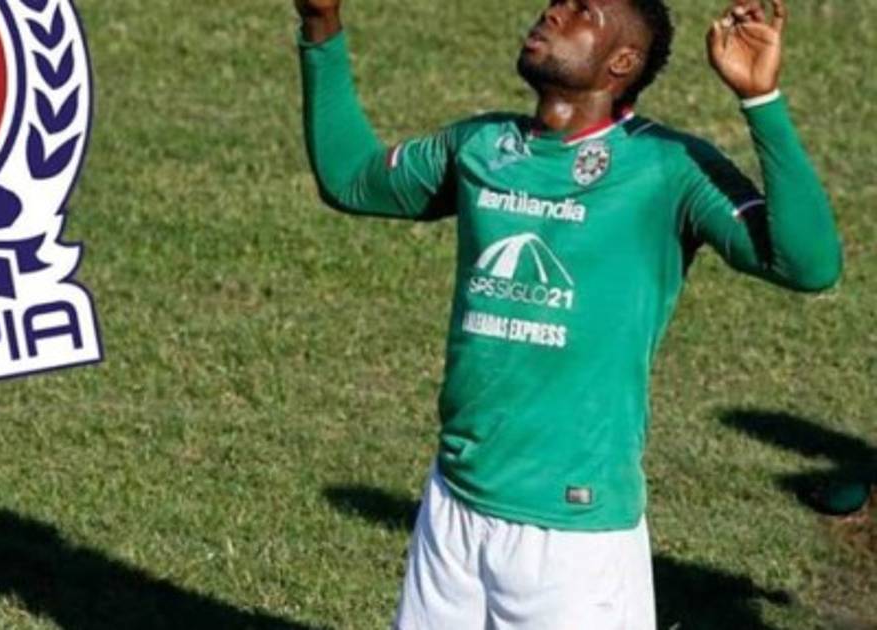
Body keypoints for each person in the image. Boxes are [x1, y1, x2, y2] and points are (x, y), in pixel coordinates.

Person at [294, 0, 843, 627]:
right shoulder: (482, 146)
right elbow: (351, 178)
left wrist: (760, 100)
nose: (554, 13)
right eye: (558, 2)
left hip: (575, 534)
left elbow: (808, 264)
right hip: (454, 502)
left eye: (583, 11)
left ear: (622, 62)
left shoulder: (668, 168)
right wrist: (320, 25)